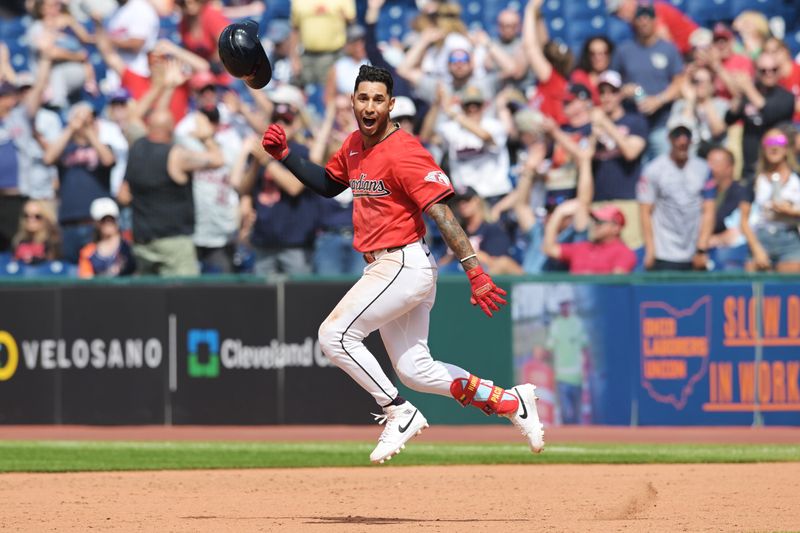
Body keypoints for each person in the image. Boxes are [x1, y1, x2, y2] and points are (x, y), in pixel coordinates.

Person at [260, 65, 544, 463]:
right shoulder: (355, 145)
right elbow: (328, 185)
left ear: (391, 105)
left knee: (334, 335)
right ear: (353, 102)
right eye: (363, 98)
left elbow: (442, 213)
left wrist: (474, 270)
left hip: (403, 262)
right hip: (388, 266)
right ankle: (513, 401)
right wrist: (286, 155)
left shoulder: (405, 150)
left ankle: (399, 411)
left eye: (378, 99)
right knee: (415, 370)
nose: (370, 106)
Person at [118, 110, 223, 276]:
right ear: (171, 130)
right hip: (173, 243)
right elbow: (218, 160)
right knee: (182, 298)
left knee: (150, 299)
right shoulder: (176, 155)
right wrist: (206, 138)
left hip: (142, 242)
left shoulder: (136, 148)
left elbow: (123, 196)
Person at [638, 120, 716, 271]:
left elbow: (709, 209)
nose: (682, 140)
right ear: (669, 138)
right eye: (677, 135)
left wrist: (701, 247)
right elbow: (645, 211)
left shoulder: (703, 169)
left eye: (686, 135)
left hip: (693, 251)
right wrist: (650, 249)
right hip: (664, 251)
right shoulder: (653, 169)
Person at [43, 102, 116, 263]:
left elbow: (108, 160)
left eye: (90, 118)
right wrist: (71, 128)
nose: (85, 122)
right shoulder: (65, 149)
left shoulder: (103, 146)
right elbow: (48, 158)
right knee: (70, 275)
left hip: (96, 224)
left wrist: (89, 132)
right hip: (69, 222)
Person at [612, 2, 684, 161]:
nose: (644, 21)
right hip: (634, 125)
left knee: (664, 170)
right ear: (634, 21)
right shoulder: (624, 50)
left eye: (648, 17)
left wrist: (659, 100)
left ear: (655, 20)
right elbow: (613, 82)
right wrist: (624, 90)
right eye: (640, 17)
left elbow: (679, 82)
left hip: (662, 123)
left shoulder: (668, 49)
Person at [422, 85, 512, 203]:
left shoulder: (494, 126)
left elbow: (485, 136)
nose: (472, 109)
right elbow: (426, 137)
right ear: (462, 106)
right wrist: (436, 104)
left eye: (476, 104)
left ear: (484, 106)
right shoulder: (452, 128)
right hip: (465, 197)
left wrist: (455, 114)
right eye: (468, 105)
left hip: (494, 194)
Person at [590, 70, 648, 249]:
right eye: (602, 92)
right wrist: (593, 133)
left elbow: (631, 152)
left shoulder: (635, 122)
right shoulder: (591, 124)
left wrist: (606, 124)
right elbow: (583, 158)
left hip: (627, 200)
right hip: (598, 200)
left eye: (612, 92)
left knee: (630, 252)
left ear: (620, 94)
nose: (607, 97)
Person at [725, 52, 795, 182]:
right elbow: (729, 119)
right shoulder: (749, 93)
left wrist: (747, 87)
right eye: (764, 70)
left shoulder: (786, 97)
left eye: (773, 70)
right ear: (756, 71)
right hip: (750, 168)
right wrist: (739, 94)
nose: (769, 73)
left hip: (776, 171)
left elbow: (769, 113)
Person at [739, 129, 800, 272]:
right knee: (754, 288)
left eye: (779, 142)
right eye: (769, 142)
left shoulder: (797, 178)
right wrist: (756, 249)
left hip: (790, 238)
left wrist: (791, 212)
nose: (774, 147)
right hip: (761, 237)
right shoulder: (754, 180)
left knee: (789, 291)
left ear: (787, 148)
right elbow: (743, 220)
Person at [439, 187, 522, 275]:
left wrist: (462, 250)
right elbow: (442, 265)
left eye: (467, 200)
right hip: (458, 274)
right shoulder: (457, 231)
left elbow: (497, 263)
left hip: (484, 276)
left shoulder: (491, 229)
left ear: (477, 201)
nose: (462, 204)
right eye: (459, 201)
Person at [668, 65, 728, 158]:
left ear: (712, 84)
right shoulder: (680, 105)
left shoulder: (721, 104)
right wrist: (690, 101)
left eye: (704, 82)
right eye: (696, 81)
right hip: (690, 155)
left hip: (713, 154)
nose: (700, 85)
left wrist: (706, 101)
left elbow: (718, 131)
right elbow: (681, 131)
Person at [291, 0, 356, 87]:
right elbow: (295, 30)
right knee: (308, 92)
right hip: (307, 56)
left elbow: (351, 24)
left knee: (328, 93)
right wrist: (294, 59)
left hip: (334, 55)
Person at [545, 297, 589, 425]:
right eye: (562, 305)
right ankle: (566, 437)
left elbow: (585, 345)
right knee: (565, 413)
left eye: (566, 305)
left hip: (577, 376)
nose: (564, 308)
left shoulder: (577, 323)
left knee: (576, 413)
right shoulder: (556, 325)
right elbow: (549, 347)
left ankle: (578, 439)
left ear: (570, 306)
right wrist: (543, 355)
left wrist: (588, 364)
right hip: (561, 376)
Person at [706, 146, 748, 271]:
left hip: (731, 252)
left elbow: (736, 232)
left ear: (729, 167)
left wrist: (713, 239)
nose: (710, 168)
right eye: (708, 162)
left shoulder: (741, 193)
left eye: (715, 163)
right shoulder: (702, 192)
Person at [77, 197, 135, 277]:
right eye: (103, 220)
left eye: (111, 219)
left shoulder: (129, 245)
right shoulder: (88, 253)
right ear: (96, 223)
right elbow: (86, 280)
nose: (108, 223)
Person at [11, 199, 60, 264]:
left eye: (37, 216)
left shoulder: (54, 242)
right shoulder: (18, 241)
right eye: (26, 216)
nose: (31, 220)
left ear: (46, 218)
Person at [571, 37, 615, 105]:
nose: (598, 57)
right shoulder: (579, 76)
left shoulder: (616, 78)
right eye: (592, 53)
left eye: (603, 53)